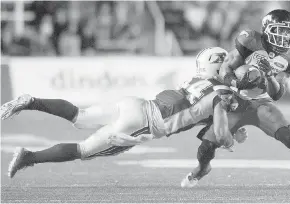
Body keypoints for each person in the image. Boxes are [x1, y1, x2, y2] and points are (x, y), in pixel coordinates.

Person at [2, 47, 256, 179]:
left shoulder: (195, 81)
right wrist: (233, 135)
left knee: (80, 116)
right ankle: (28, 157)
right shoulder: (222, 93)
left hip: (134, 104)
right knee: (83, 150)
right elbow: (212, 129)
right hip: (144, 123)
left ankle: (32, 101)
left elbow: (202, 118)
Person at [181, 9, 290, 189]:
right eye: (279, 31)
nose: (284, 37)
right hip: (236, 100)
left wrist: (269, 75)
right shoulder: (250, 41)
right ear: (267, 30)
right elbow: (225, 69)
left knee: (289, 138)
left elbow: (276, 94)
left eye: (288, 33)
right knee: (208, 145)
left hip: (261, 102)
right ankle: (202, 168)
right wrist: (237, 84)